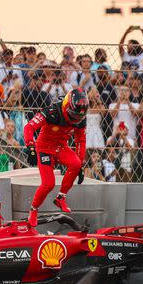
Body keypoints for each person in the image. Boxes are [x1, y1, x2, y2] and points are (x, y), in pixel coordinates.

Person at [23, 88, 88, 226]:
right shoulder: (51, 111)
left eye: (79, 117)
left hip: (61, 147)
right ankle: (33, 210)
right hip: (44, 148)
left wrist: (80, 164)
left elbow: (80, 141)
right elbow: (29, 127)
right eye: (74, 115)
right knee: (48, 184)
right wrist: (30, 146)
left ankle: (60, 198)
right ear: (66, 106)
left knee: (76, 164)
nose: (76, 119)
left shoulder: (81, 118)